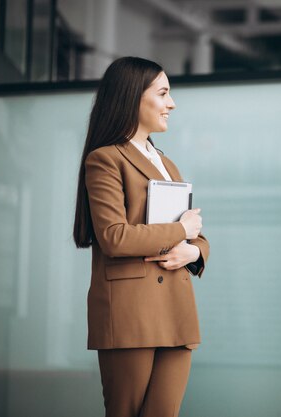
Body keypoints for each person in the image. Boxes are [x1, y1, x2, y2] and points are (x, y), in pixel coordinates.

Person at [73, 56, 209, 417]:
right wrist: (182, 232)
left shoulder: (167, 161)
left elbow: (196, 235)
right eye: (163, 93)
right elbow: (114, 237)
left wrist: (192, 253)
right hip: (131, 312)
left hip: (176, 311)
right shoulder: (105, 159)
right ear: (134, 97)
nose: (172, 103)